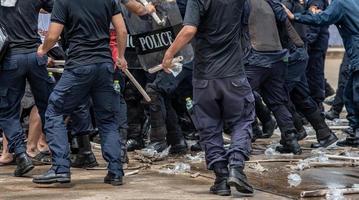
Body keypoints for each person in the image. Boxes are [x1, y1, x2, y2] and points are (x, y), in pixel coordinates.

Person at [162, 0, 255, 196]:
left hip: (205, 76)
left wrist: (169, 53)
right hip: (234, 75)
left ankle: (221, 177)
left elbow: (189, 29)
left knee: (209, 126)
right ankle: (236, 167)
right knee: (241, 121)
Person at [32, 0, 128, 185]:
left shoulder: (63, 1)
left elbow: (53, 35)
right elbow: (122, 30)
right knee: (107, 119)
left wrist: (42, 50)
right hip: (104, 65)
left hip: (79, 65)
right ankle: (115, 172)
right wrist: (121, 56)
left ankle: (60, 168)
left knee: (54, 111)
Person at [285, 0, 359, 147]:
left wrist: (295, 17)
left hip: (356, 50)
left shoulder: (341, 3)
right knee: (350, 94)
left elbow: (322, 19)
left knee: (355, 94)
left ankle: (357, 131)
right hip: (354, 50)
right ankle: (355, 132)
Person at [0, 0, 54, 177]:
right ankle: (61, 158)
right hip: (35, 55)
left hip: (11, 58)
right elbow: (60, 9)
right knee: (48, 107)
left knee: (7, 111)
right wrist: (48, 45)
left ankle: (21, 155)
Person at [242, 0, 302, 154]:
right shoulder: (271, 2)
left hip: (255, 57)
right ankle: (291, 140)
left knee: (242, 98)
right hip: (277, 56)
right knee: (278, 101)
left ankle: (243, 143)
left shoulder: (241, 3)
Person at [305, 0, 330, 108]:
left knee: (314, 74)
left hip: (315, 45)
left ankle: (317, 105)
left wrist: (308, 41)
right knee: (313, 73)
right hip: (316, 43)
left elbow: (315, 20)